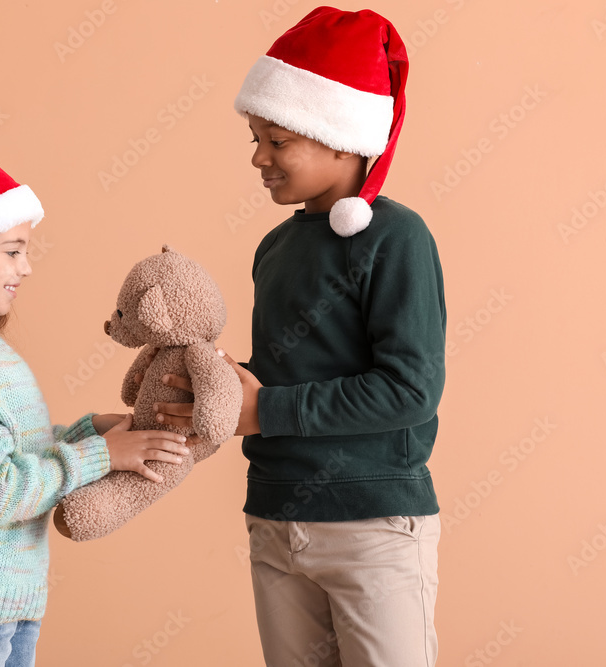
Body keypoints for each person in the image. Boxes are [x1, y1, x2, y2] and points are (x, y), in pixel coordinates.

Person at [153, 8, 447, 666]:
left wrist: (266, 410)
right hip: (276, 520)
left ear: (339, 137)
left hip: (373, 527)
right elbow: (286, 377)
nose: (258, 157)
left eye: (277, 140)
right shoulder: (275, 248)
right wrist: (220, 389)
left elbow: (410, 390)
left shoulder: (398, 239)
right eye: (256, 137)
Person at [0, 148, 192, 667]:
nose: (27, 266)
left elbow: (14, 453)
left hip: (3, 604)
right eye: (12, 250)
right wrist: (99, 456)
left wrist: (91, 430)